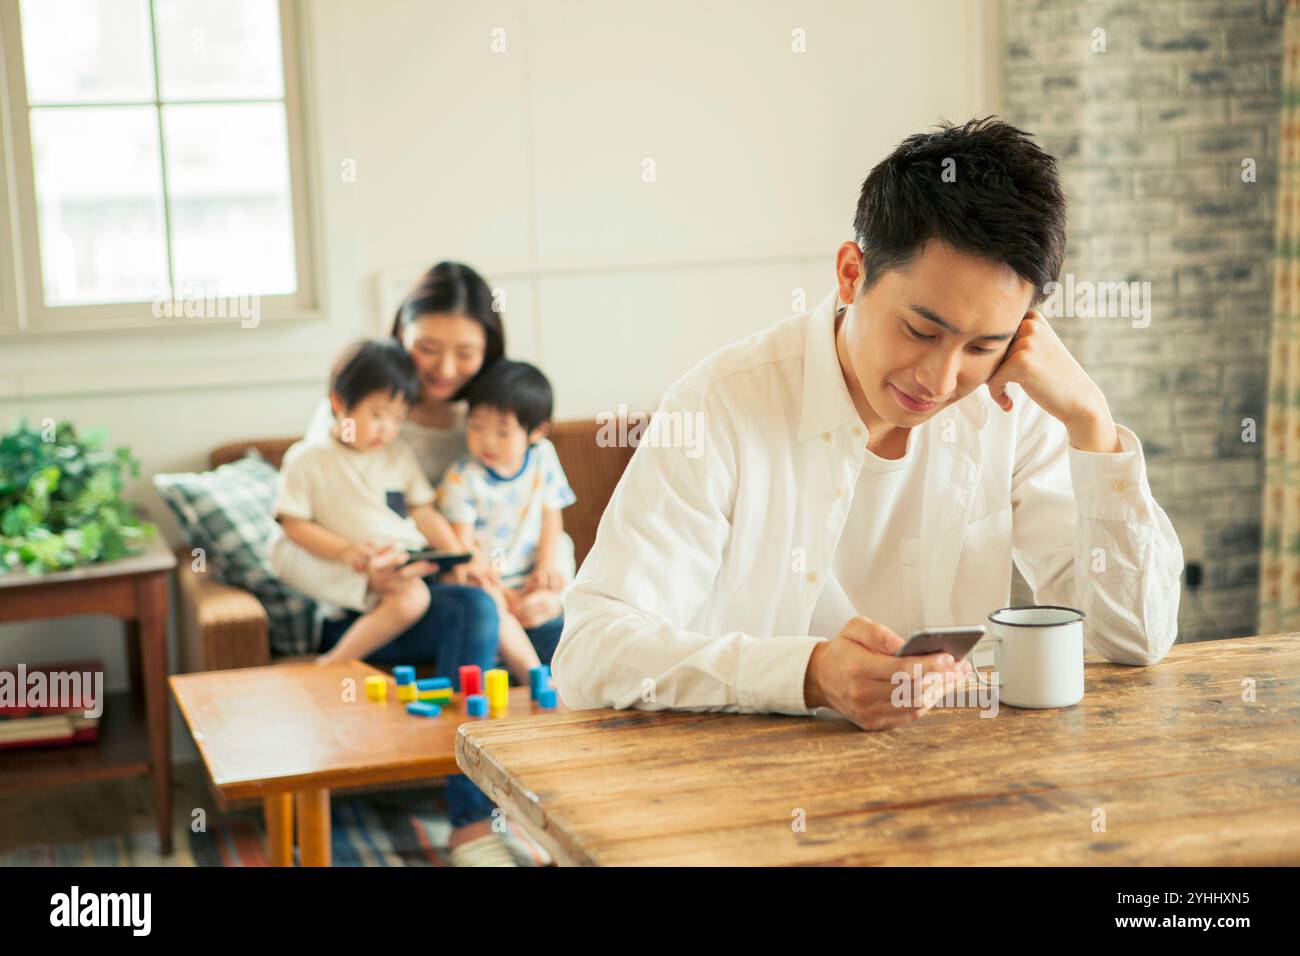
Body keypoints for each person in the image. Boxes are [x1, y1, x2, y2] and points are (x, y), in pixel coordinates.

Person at [553, 117, 1185, 732]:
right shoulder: (717, 407)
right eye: (920, 330)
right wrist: (808, 673)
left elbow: (1134, 639)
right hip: (748, 794)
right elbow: (591, 654)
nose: (939, 381)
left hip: (960, 784)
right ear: (852, 273)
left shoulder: (1013, 405)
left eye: (981, 346)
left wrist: (1094, 428)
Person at [269, 261, 572, 866]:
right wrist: (366, 577)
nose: (444, 367)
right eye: (427, 348)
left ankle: (560, 809)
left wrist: (554, 585)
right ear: (399, 337)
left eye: (465, 352)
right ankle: (472, 826)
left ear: (489, 350)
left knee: (569, 634)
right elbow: (284, 548)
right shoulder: (360, 415)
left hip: (484, 596)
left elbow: (541, 517)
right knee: (474, 612)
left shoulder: (498, 419)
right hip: (387, 612)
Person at [274, 339, 476, 665]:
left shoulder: (398, 456)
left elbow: (424, 512)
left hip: (409, 561)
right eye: (378, 415)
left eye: (398, 418)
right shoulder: (308, 459)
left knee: (471, 596)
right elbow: (294, 525)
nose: (387, 429)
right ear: (339, 402)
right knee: (412, 598)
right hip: (358, 578)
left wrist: (456, 554)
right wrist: (345, 551)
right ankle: (333, 664)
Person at [437, 360, 577, 684]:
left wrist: (545, 566)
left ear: (537, 431)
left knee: (564, 563)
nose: (487, 441)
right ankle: (537, 680)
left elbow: (551, 513)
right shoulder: (463, 477)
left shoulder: (543, 455)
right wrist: (503, 594)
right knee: (491, 607)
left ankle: (550, 615)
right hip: (483, 575)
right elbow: (464, 543)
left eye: (502, 431)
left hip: (525, 574)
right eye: (475, 426)